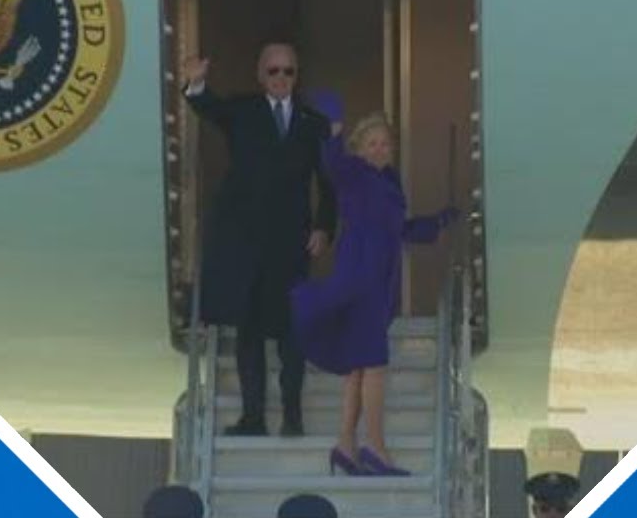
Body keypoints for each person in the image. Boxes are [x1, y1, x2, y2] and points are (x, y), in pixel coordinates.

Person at [290, 98, 456, 476]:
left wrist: (438, 222)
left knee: (359, 369)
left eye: (385, 143)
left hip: (379, 282)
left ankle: (346, 445)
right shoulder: (354, 172)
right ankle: (376, 448)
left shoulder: (388, 181)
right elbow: (332, 162)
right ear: (360, 148)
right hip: (360, 280)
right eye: (372, 143)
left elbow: (400, 229)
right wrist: (333, 129)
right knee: (375, 366)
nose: (380, 149)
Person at [183, 42, 337, 437]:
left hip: (292, 242)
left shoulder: (314, 123)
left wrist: (324, 227)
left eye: (288, 71)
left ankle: (292, 415)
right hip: (247, 241)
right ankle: (253, 416)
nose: (281, 78)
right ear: (260, 74)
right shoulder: (244, 111)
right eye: (274, 71)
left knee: (292, 333)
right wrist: (197, 83)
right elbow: (209, 108)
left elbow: (328, 182)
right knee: (249, 332)